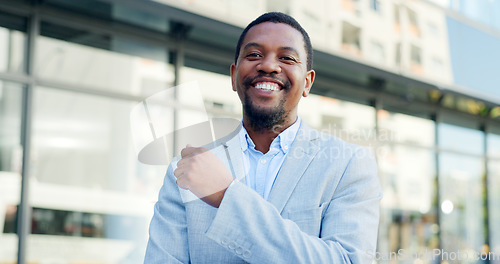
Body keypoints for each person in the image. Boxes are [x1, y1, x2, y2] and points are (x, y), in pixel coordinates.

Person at [144, 12, 382, 264]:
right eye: (254, 55)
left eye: (287, 58)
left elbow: (348, 260)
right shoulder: (186, 171)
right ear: (234, 76)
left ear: (307, 83)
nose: (268, 66)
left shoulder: (349, 164)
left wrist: (227, 196)